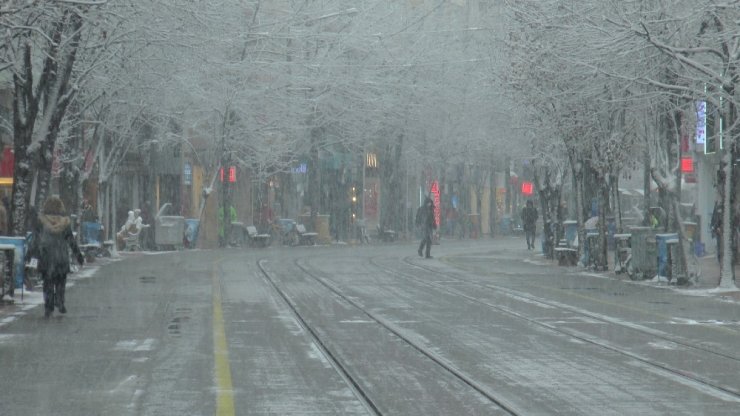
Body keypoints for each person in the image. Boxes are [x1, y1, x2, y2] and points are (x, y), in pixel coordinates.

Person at [29, 196, 84, 317]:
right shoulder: (64, 223)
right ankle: (60, 301)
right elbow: (71, 241)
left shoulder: (41, 222)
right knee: (60, 281)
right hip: (61, 257)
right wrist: (78, 255)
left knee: (47, 282)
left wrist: (31, 255)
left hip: (46, 256)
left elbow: (35, 240)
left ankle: (48, 306)